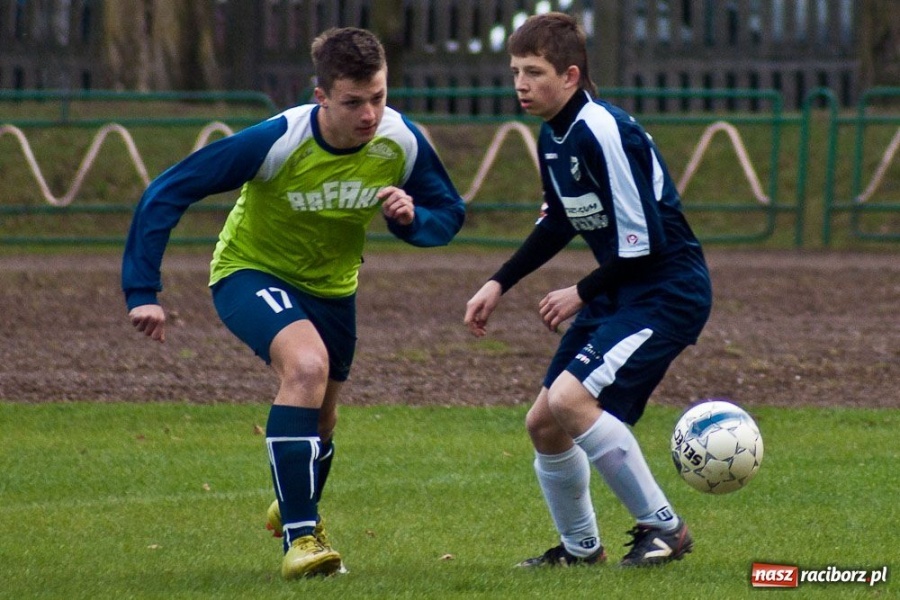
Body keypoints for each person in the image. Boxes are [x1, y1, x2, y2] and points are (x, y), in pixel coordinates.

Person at [122, 27, 465, 579]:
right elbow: (168, 189)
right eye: (353, 102)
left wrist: (412, 218)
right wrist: (143, 290)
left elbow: (449, 211)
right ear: (321, 96)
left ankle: (293, 501)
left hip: (334, 289)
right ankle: (302, 539)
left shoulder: (400, 140)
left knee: (323, 420)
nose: (369, 114)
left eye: (378, 97)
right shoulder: (277, 140)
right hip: (248, 272)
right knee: (306, 367)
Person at [464, 12, 712, 568]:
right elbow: (558, 221)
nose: (520, 85)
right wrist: (498, 282)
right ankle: (581, 550)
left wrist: (580, 290)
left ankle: (665, 529)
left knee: (571, 401)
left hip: (667, 290)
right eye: (515, 72)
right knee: (544, 423)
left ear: (571, 75)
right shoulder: (552, 136)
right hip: (622, 289)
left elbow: (644, 242)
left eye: (533, 72)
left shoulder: (603, 129)